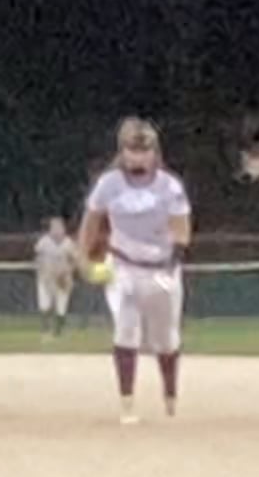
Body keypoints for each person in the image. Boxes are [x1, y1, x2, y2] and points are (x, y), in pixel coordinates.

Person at [78, 117, 193, 425]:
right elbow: (91, 221)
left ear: (155, 153)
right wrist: (83, 256)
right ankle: (127, 402)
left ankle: (170, 396)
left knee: (165, 338)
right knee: (126, 328)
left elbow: (182, 229)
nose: (138, 157)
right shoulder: (109, 184)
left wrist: (174, 259)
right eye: (132, 150)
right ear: (122, 152)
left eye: (144, 151)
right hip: (123, 265)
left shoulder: (169, 187)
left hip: (161, 267)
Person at [33, 216, 78, 340]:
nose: (57, 230)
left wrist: (68, 272)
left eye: (60, 227)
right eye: (54, 227)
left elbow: (75, 260)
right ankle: (45, 329)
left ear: (64, 229)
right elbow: (37, 258)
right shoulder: (44, 242)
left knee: (61, 306)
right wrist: (41, 272)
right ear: (50, 229)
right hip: (46, 277)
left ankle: (58, 331)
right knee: (44, 304)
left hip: (63, 278)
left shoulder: (68, 243)